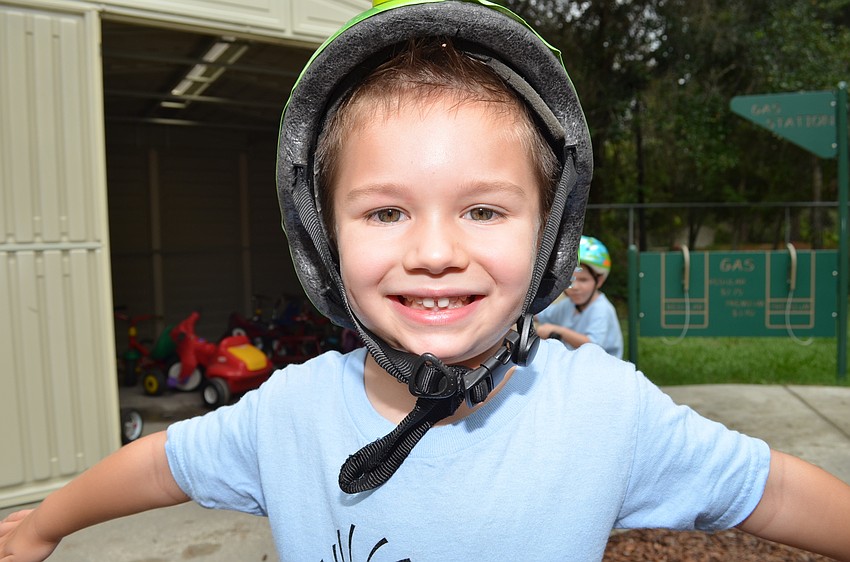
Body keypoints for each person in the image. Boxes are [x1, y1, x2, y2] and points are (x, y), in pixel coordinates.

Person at [3, 1, 850, 560]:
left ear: (551, 235)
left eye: (484, 211)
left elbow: (765, 487)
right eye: (385, 213)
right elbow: (159, 466)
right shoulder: (289, 416)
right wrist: (41, 526)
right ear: (320, 236)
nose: (436, 252)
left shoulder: (603, 410)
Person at [535, 235, 624, 358]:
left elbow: (593, 345)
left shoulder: (601, 309)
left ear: (599, 281)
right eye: (570, 280)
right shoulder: (568, 305)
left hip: (601, 371)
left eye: (583, 280)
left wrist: (559, 331)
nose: (575, 287)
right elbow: (540, 314)